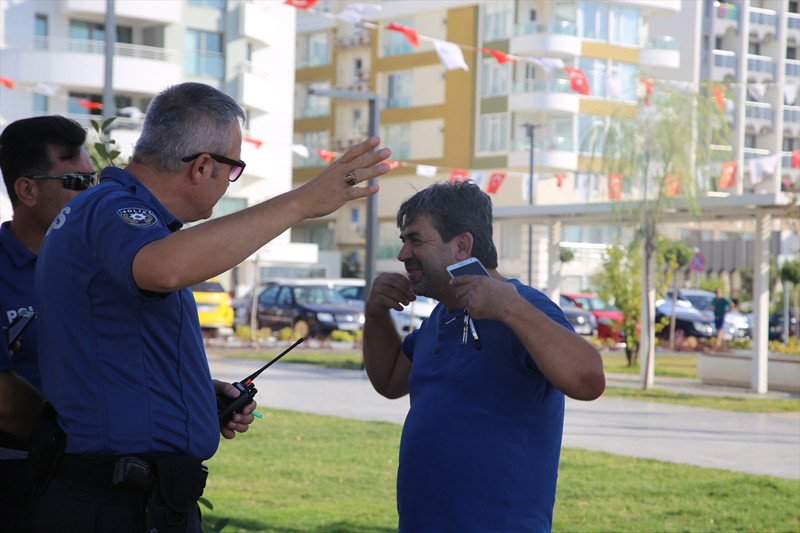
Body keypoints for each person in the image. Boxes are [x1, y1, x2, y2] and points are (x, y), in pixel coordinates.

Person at [34, 82, 390, 532]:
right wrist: (301, 202)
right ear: (203, 166)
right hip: (111, 502)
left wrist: (194, 394)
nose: (229, 180)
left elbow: (115, 346)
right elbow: (164, 269)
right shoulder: (115, 209)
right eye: (234, 168)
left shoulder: (124, 218)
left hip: (138, 497)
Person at [362, 180, 605, 532]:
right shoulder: (442, 314)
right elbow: (389, 380)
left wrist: (511, 310)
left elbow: (590, 380)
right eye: (403, 241)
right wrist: (375, 314)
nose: (403, 255)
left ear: (462, 246)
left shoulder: (523, 305)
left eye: (415, 240)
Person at [0, 115, 97, 528]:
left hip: (92, 482)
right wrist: (87, 429)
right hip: (17, 479)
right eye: (77, 183)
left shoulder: (100, 266)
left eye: (95, 181)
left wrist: (197, 393)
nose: (91, 194)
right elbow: (4, 402)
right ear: (27, 190)